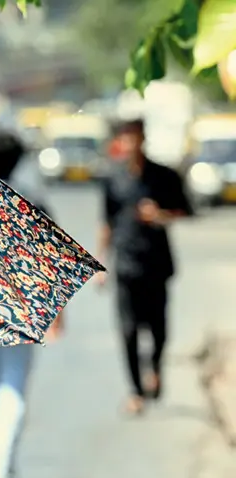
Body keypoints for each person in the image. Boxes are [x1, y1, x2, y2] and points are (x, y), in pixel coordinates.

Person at [0, 125, 65, 478]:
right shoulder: (33, 202)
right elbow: (56, 261)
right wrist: (57, 312)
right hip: (25, 311)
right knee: (11, 393)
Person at [97, 118, 193, 415]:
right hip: (125, 264)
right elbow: (107, 222)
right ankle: (136, 391)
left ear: (143, 139)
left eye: (135, 137)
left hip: (156, 263)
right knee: (127, 331)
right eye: (125, 137)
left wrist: (160, 215)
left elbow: (185, 211)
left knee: (158, 329)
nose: (130, 143)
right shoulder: (113, 178)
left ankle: (155, 366)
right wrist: (100, 263)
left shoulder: (163, 176)